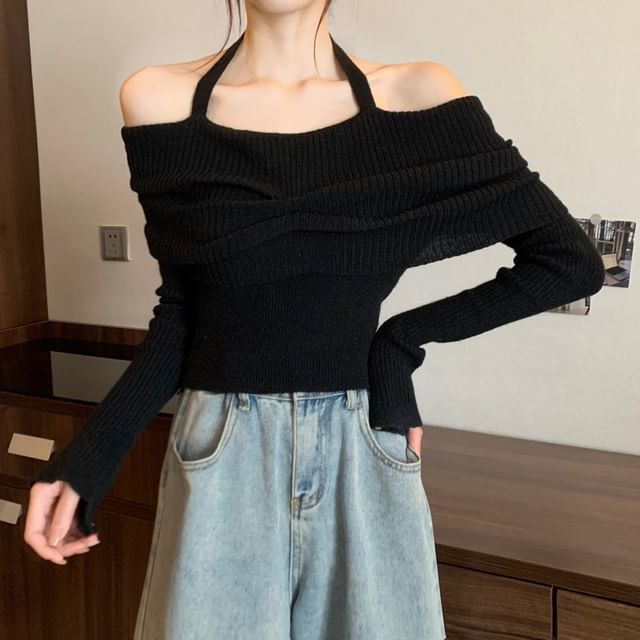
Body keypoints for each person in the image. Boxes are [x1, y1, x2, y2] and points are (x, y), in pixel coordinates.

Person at [23, 3, 605, 639]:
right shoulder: (157, 100)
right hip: (221, 453)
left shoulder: (419, 96)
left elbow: (568, 263)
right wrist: (87, 458)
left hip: (364, 443)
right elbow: (183, 312)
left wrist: (398, 345)